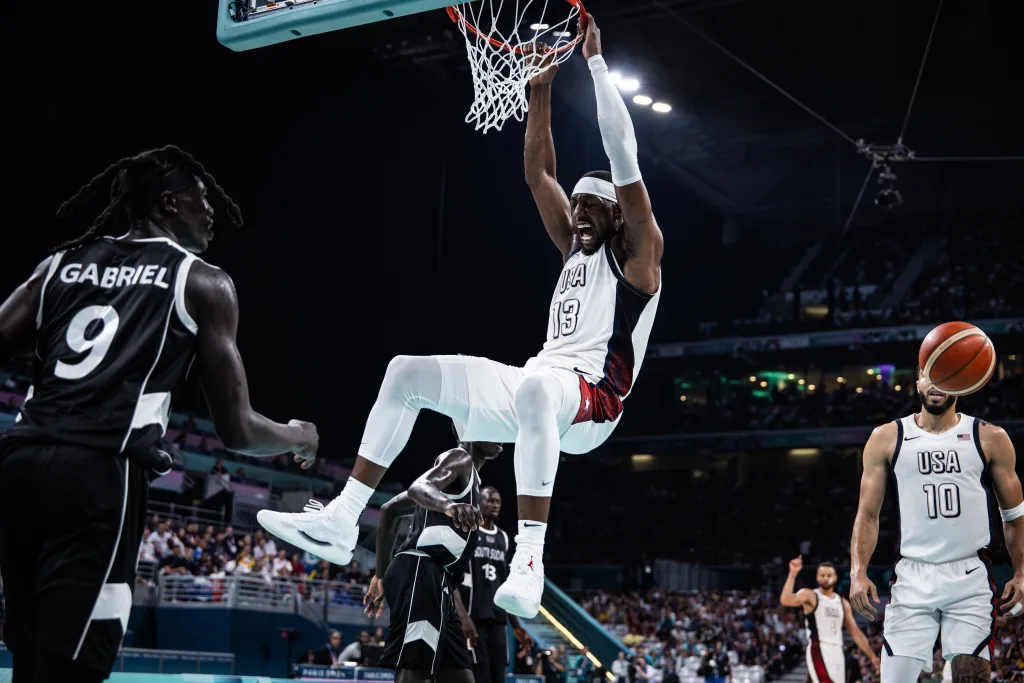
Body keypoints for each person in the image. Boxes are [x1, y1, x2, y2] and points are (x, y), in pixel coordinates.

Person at [257, 13, 663, 620]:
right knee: (405, 372)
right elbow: (539, 173)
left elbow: (622, 152)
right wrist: (542, 90)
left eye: (587, 209)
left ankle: (530, 558)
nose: (574, 215)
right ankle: (344, 517)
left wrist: (597, 66)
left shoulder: (637, 259)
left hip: (594, 403)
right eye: (573, 207)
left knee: (533, 387)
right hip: (542, 391)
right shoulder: (572, 248)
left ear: (615, 217)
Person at [0, 145, 319, 683]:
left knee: (26, 647)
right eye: (201, 199)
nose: (212, 210)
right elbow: (237, 432)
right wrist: (298, 436)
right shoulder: (202, 281)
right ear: (168, 204)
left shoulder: (59, 263)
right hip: (99, 474)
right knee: (73, 661)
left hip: (19, 464)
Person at [849, 369, 1024, 683]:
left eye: (946, 375)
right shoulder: (887, 437)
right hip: (913, 574)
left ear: (963, 383)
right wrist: (858, 571)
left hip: (969, 575)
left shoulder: (989, 436)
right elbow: (867, 515)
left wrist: (1022, 571)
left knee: (972, 677)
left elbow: (1013, 515)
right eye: (930, 375)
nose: (936, 385)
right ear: (918, 383)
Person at [363, 432, 503, 683]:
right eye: (492, 426)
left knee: (460, 675)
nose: (501, 434)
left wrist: (380, 575)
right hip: (421, 570)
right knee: (415, 665)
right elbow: (419, 486)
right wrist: (449, 506)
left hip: (439, 580)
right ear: (468, 428)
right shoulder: (459, 458)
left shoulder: (466, 480)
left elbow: (390, 510)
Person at [454, 485, 531, 683]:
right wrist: (463, 617)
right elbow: (451, 577)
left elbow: (506, 584)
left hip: (497, 618)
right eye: (490, 500)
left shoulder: (503, 538)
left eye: (498, 502)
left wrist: (517, 627)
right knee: (478, 675)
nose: (495, 505)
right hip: (473, 617)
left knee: (498, 676)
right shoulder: (466, 532)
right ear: (478, 503)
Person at [780, 556, 878, 683]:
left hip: (838, 650)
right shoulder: (810, 595)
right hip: (819, 647)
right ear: (817, 577)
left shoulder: (842, 603)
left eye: (829, 575)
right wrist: (792, 574)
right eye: (822, 575)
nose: (825, 578)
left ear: (835, 577)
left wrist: (872, 656)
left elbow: (856, 633)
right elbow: (786, 599)